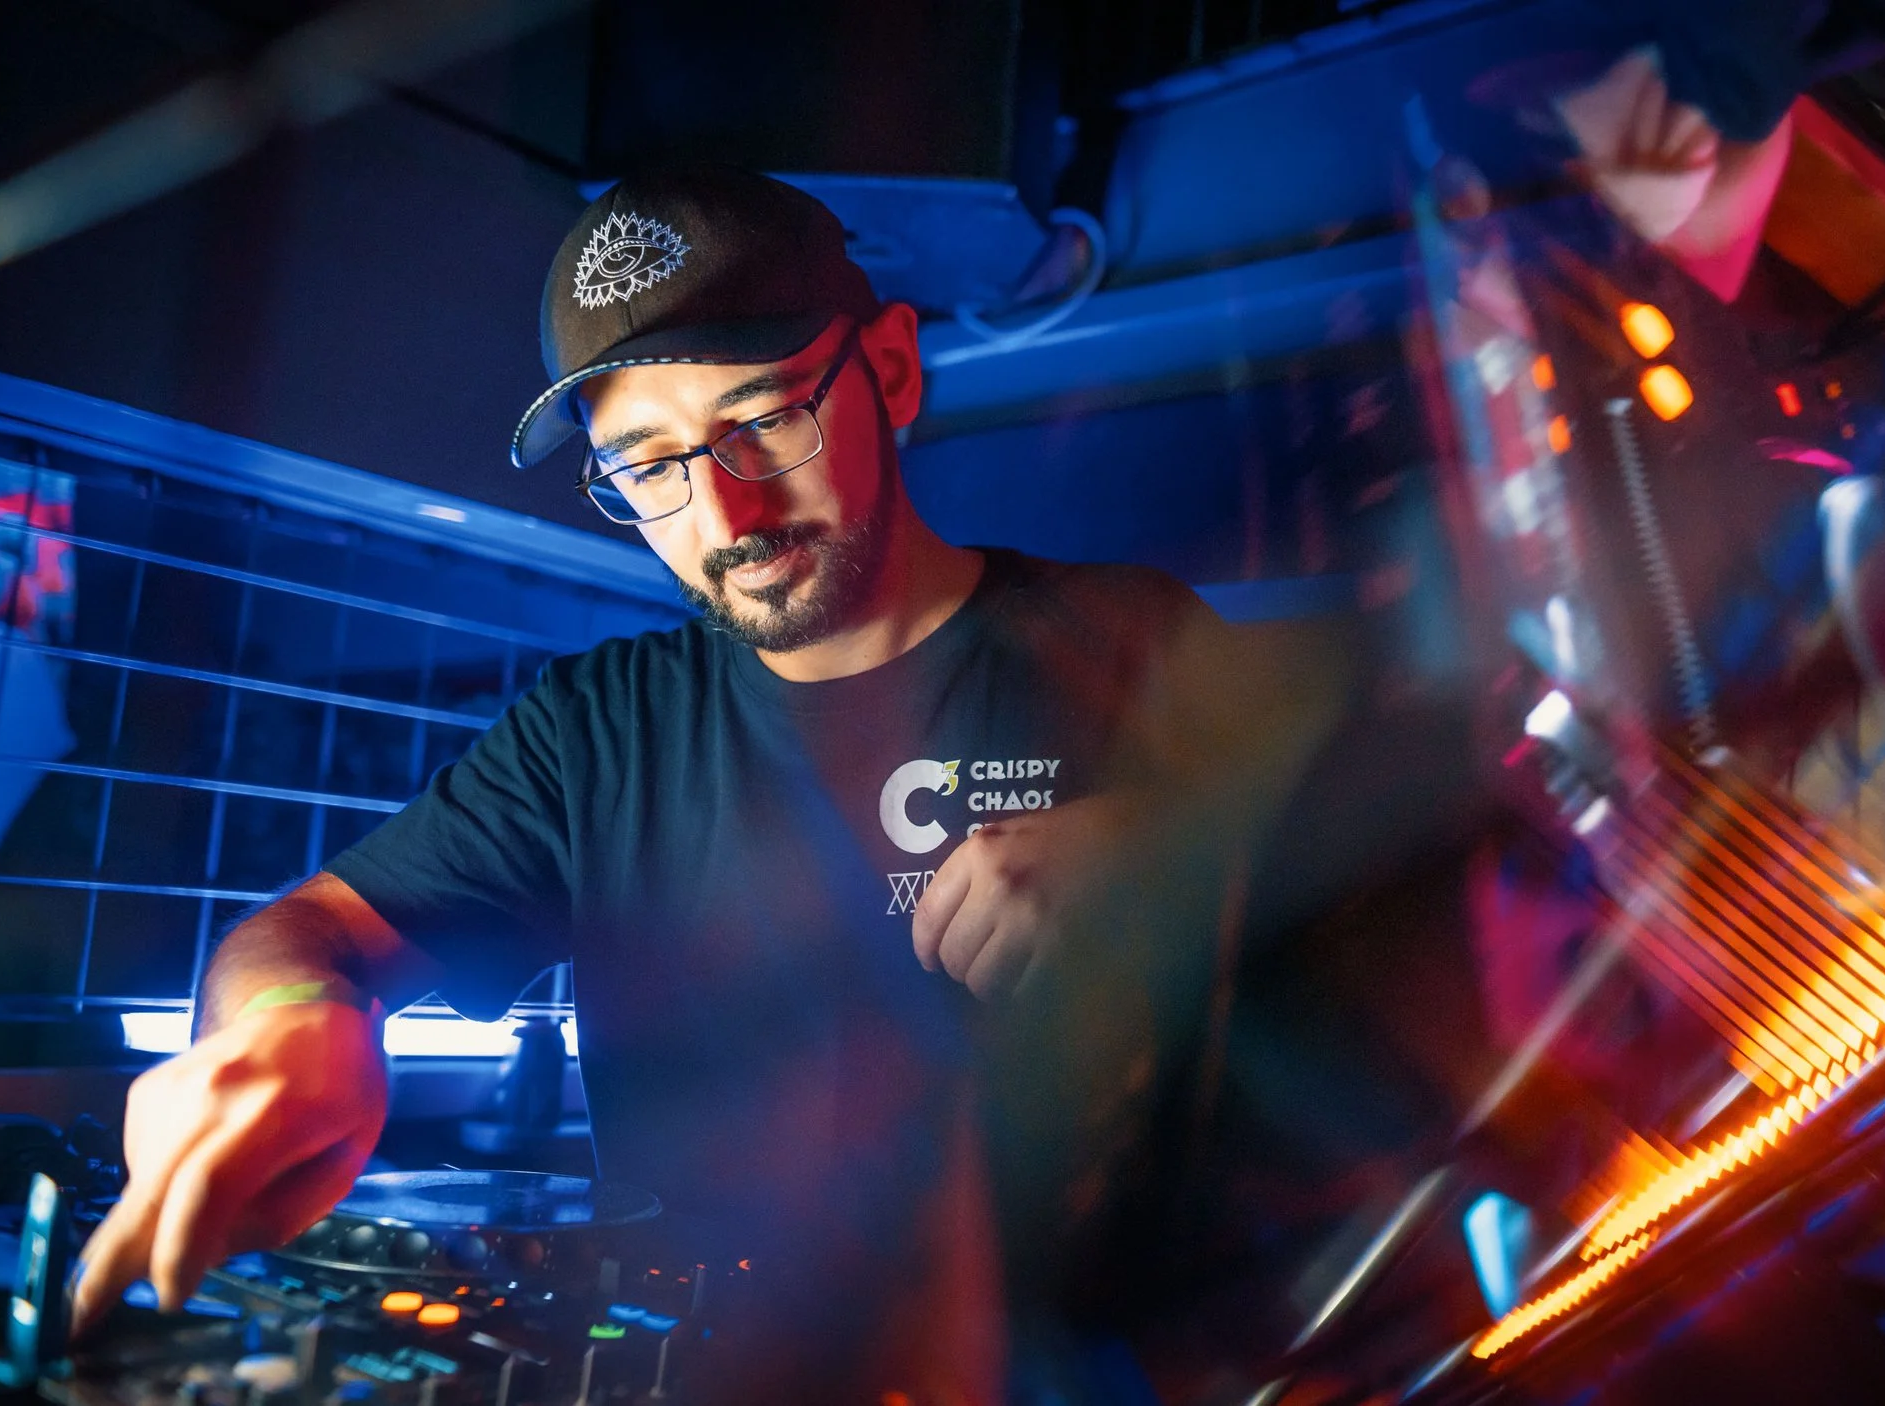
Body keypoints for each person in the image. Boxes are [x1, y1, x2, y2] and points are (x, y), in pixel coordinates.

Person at [67, 165, 1259, 1402]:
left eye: (765, 419)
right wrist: (289, 1028)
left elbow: (1402, 901)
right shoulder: (589, 735)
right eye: (648, 466)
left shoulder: (1131, 642)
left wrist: (1165, 854)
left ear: (891, 371)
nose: (725, 510)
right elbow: (305, 932)